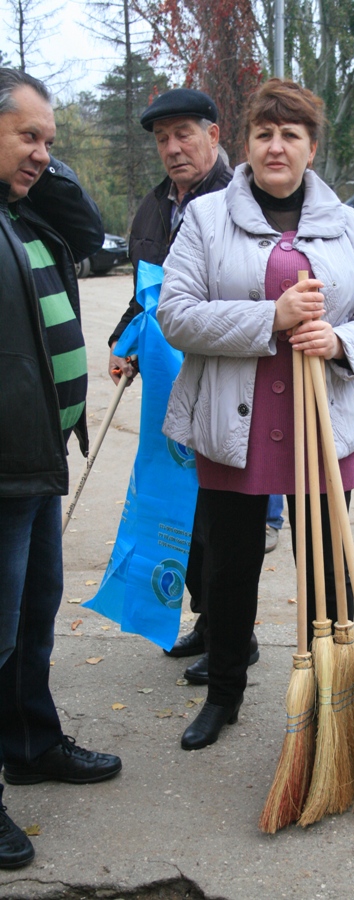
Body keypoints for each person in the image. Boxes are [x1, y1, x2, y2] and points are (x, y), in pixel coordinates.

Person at [157, 78, 354, 751]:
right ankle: (224, 693)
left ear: (310, 147)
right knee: (228, 572)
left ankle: (331, 694)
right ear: (246, 143)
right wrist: (273, 318)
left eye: (290, 135)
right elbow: (175, 314)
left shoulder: (343, 222)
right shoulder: (207, 219)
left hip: (322, 428)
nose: (275, 146)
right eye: (264, 133)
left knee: (327, 571)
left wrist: (340, 342)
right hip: (233, 429)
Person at [105, 87, 280, 680]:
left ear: (214, 135)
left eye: (184, 134)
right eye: (162, 139)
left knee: (225, 513)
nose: (173, 148)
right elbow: (145, 294)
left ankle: (239, 636)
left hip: (229, 377)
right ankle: (211, 623)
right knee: (188, 509)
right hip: (168, 376)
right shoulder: (155, 207)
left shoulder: (242, 200)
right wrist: (125, 341)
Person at [0, 68, 122, 870]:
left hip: (34, 463)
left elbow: (90, 236)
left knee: (33, 617)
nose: (44, 154)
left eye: (53, 140)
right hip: (3, 471)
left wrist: (36, 163)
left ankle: (30, 743)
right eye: (29, 136)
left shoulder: (23, 211)